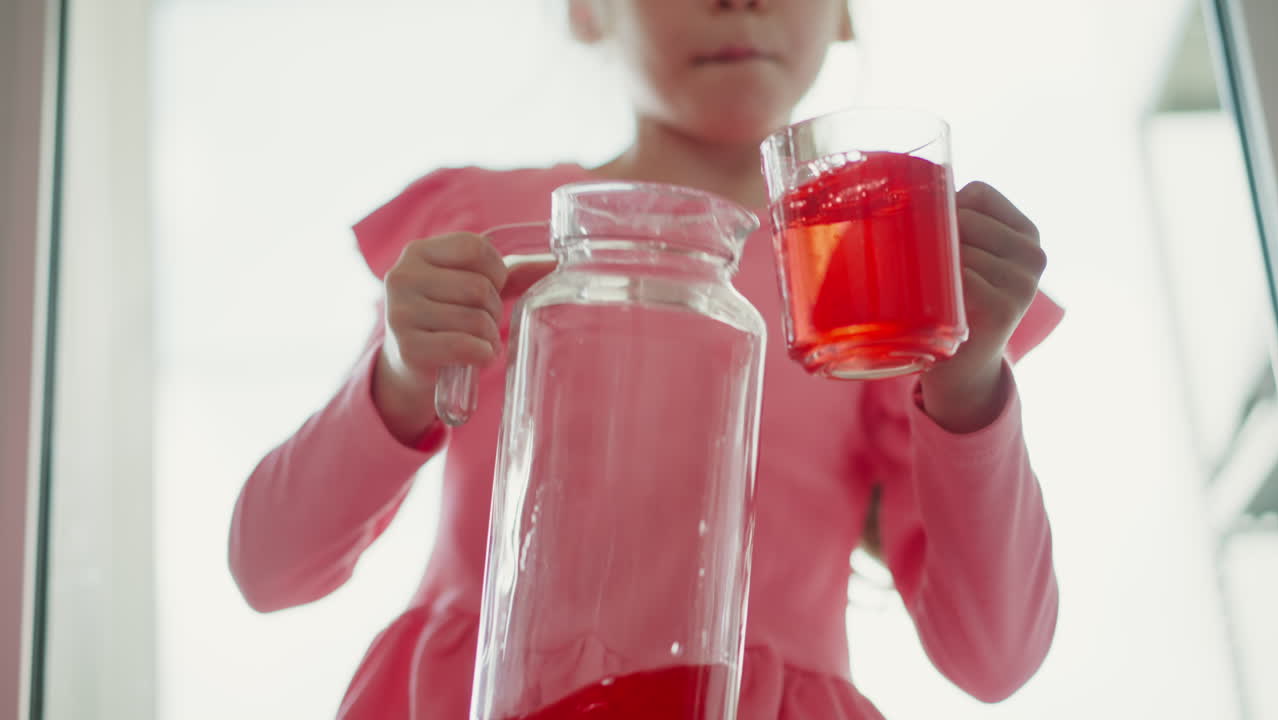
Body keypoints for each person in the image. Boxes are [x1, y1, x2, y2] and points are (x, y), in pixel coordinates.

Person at [228, 1, 1066, 718]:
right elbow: (270, 566)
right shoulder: (484, 226)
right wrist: (402, 377)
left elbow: (995, 658)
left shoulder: (872, 277)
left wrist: (970, 376)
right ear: (588, 7)